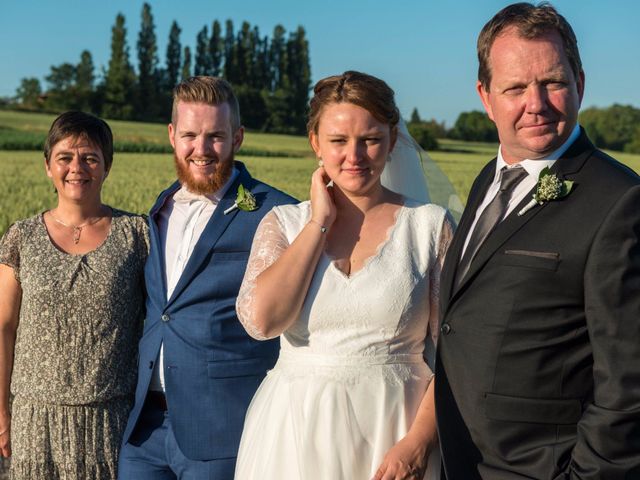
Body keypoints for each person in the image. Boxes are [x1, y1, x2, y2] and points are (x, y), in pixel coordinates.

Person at [435, 3, 640, 479]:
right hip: (461, 461)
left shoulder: (621, 202)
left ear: (580, 83)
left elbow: (629, 385)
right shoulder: (492, 177)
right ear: (486, 97)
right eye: (515, 88)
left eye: (553, 83)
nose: (537, 104)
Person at [234, 71, 453, 480]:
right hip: (294, 434)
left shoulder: (428, 227)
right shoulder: (284, 223)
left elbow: (456, 356)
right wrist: (319, 220)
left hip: (394, 432)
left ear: (392, 140)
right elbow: (263, 322)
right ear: (316, 143)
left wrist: (419, 442)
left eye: (370, 139)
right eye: (338, 141)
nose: (354, 156)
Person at [117, 76, 296, 480]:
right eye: (190, 135)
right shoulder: (159, 208)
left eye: (215, 136)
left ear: (238, 138)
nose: (201, 149)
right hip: (144, 429)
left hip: (221, 427)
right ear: (171, 136)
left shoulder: (277, 212)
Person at [0, 111, 149, 479]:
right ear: (48, 165)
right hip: (35, 421)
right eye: (65, 157)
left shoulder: (138, 235)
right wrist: (1, 409)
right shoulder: (21, 238)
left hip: (111, 422)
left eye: (90, 157)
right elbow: (4, 325)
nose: (76, 167)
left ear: (107, 166)